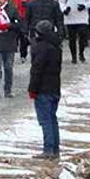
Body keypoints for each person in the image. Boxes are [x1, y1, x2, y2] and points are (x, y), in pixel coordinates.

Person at [28, 20, 62, 160]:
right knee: (52, 119)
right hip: (55, 88)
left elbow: (36, 70)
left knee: (45, 120)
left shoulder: (41, 47)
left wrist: (32, 89)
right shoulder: (57, 46)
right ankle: (55, 149)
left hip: (43, 89)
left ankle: (48, 150)